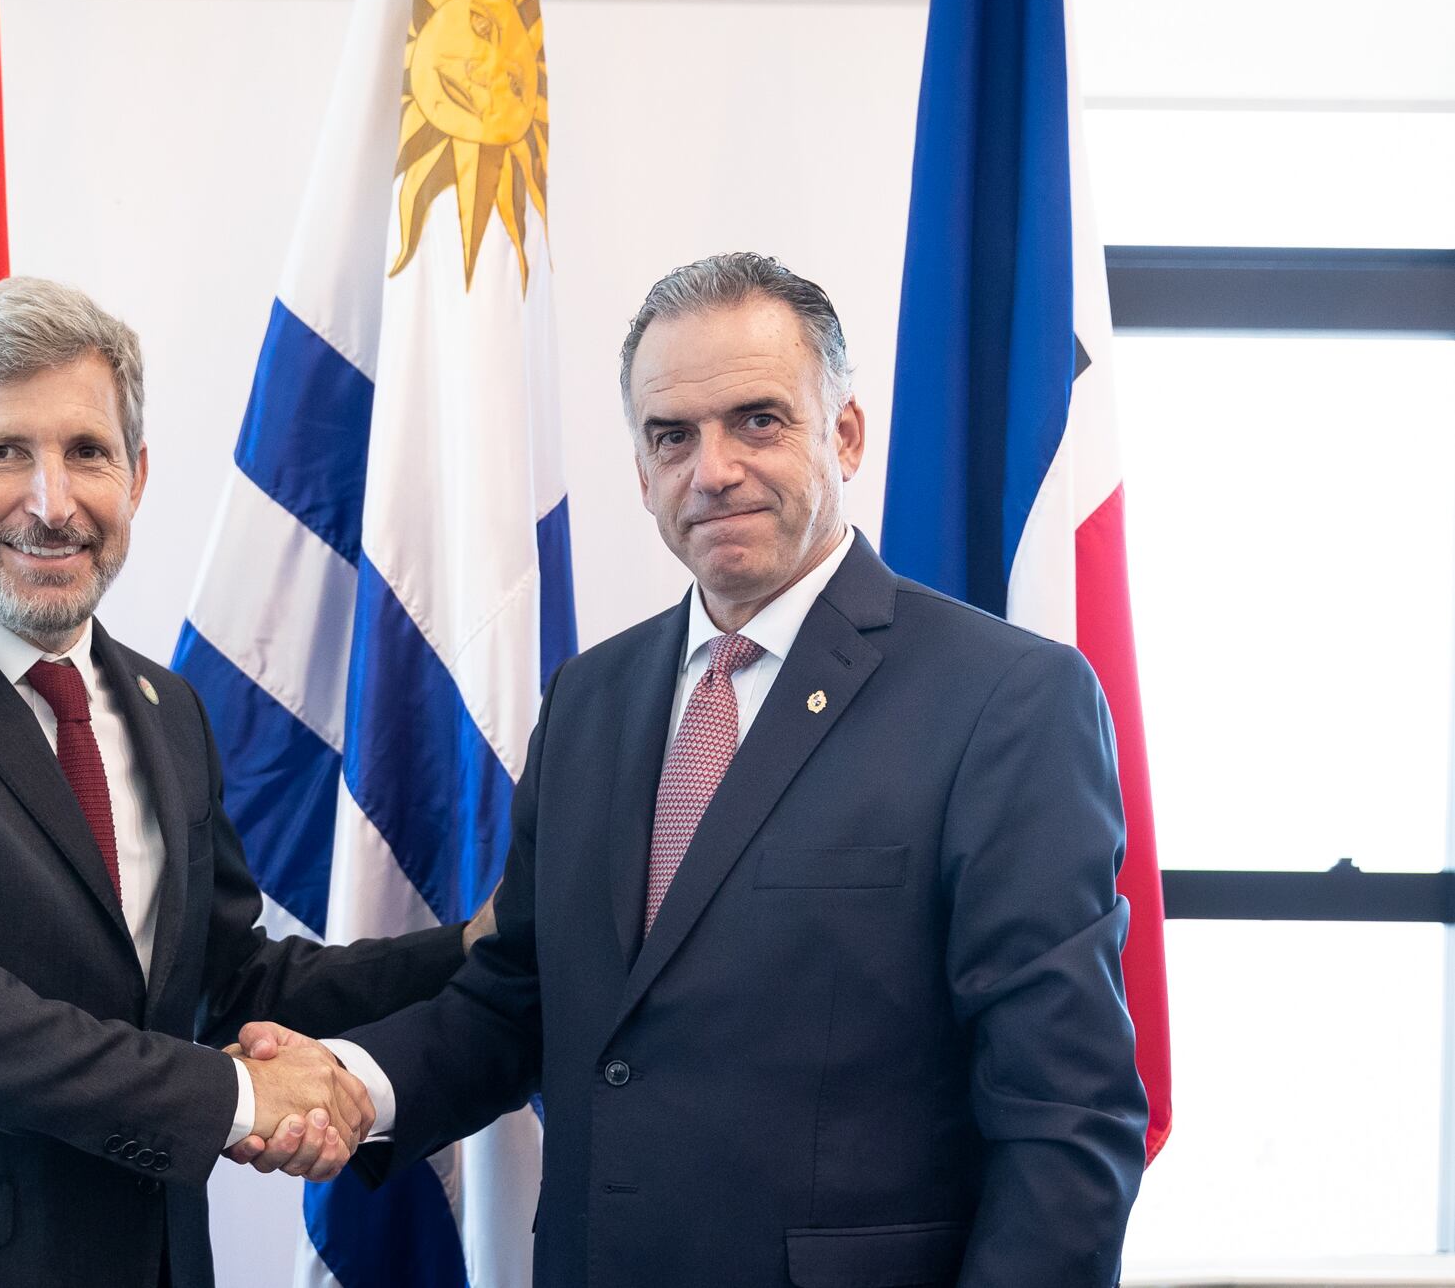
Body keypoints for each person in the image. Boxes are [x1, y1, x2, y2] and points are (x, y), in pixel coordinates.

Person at [233, 253, 1148, 1285]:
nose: (713, 469)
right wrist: (351, 1081)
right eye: (673, 435)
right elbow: (513, 999)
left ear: (844, 433)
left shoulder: (1005, 699)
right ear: (641, 470)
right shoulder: (589, 700)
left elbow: (1067, 1117)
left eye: (758, 420)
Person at [0, 276, 482, 1288]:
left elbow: (219, 983)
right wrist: (239, 1097)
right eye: (3, 452)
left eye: (88, 452)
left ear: (137, 475)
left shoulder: (167, 711)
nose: (53, 500)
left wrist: (471, 949)